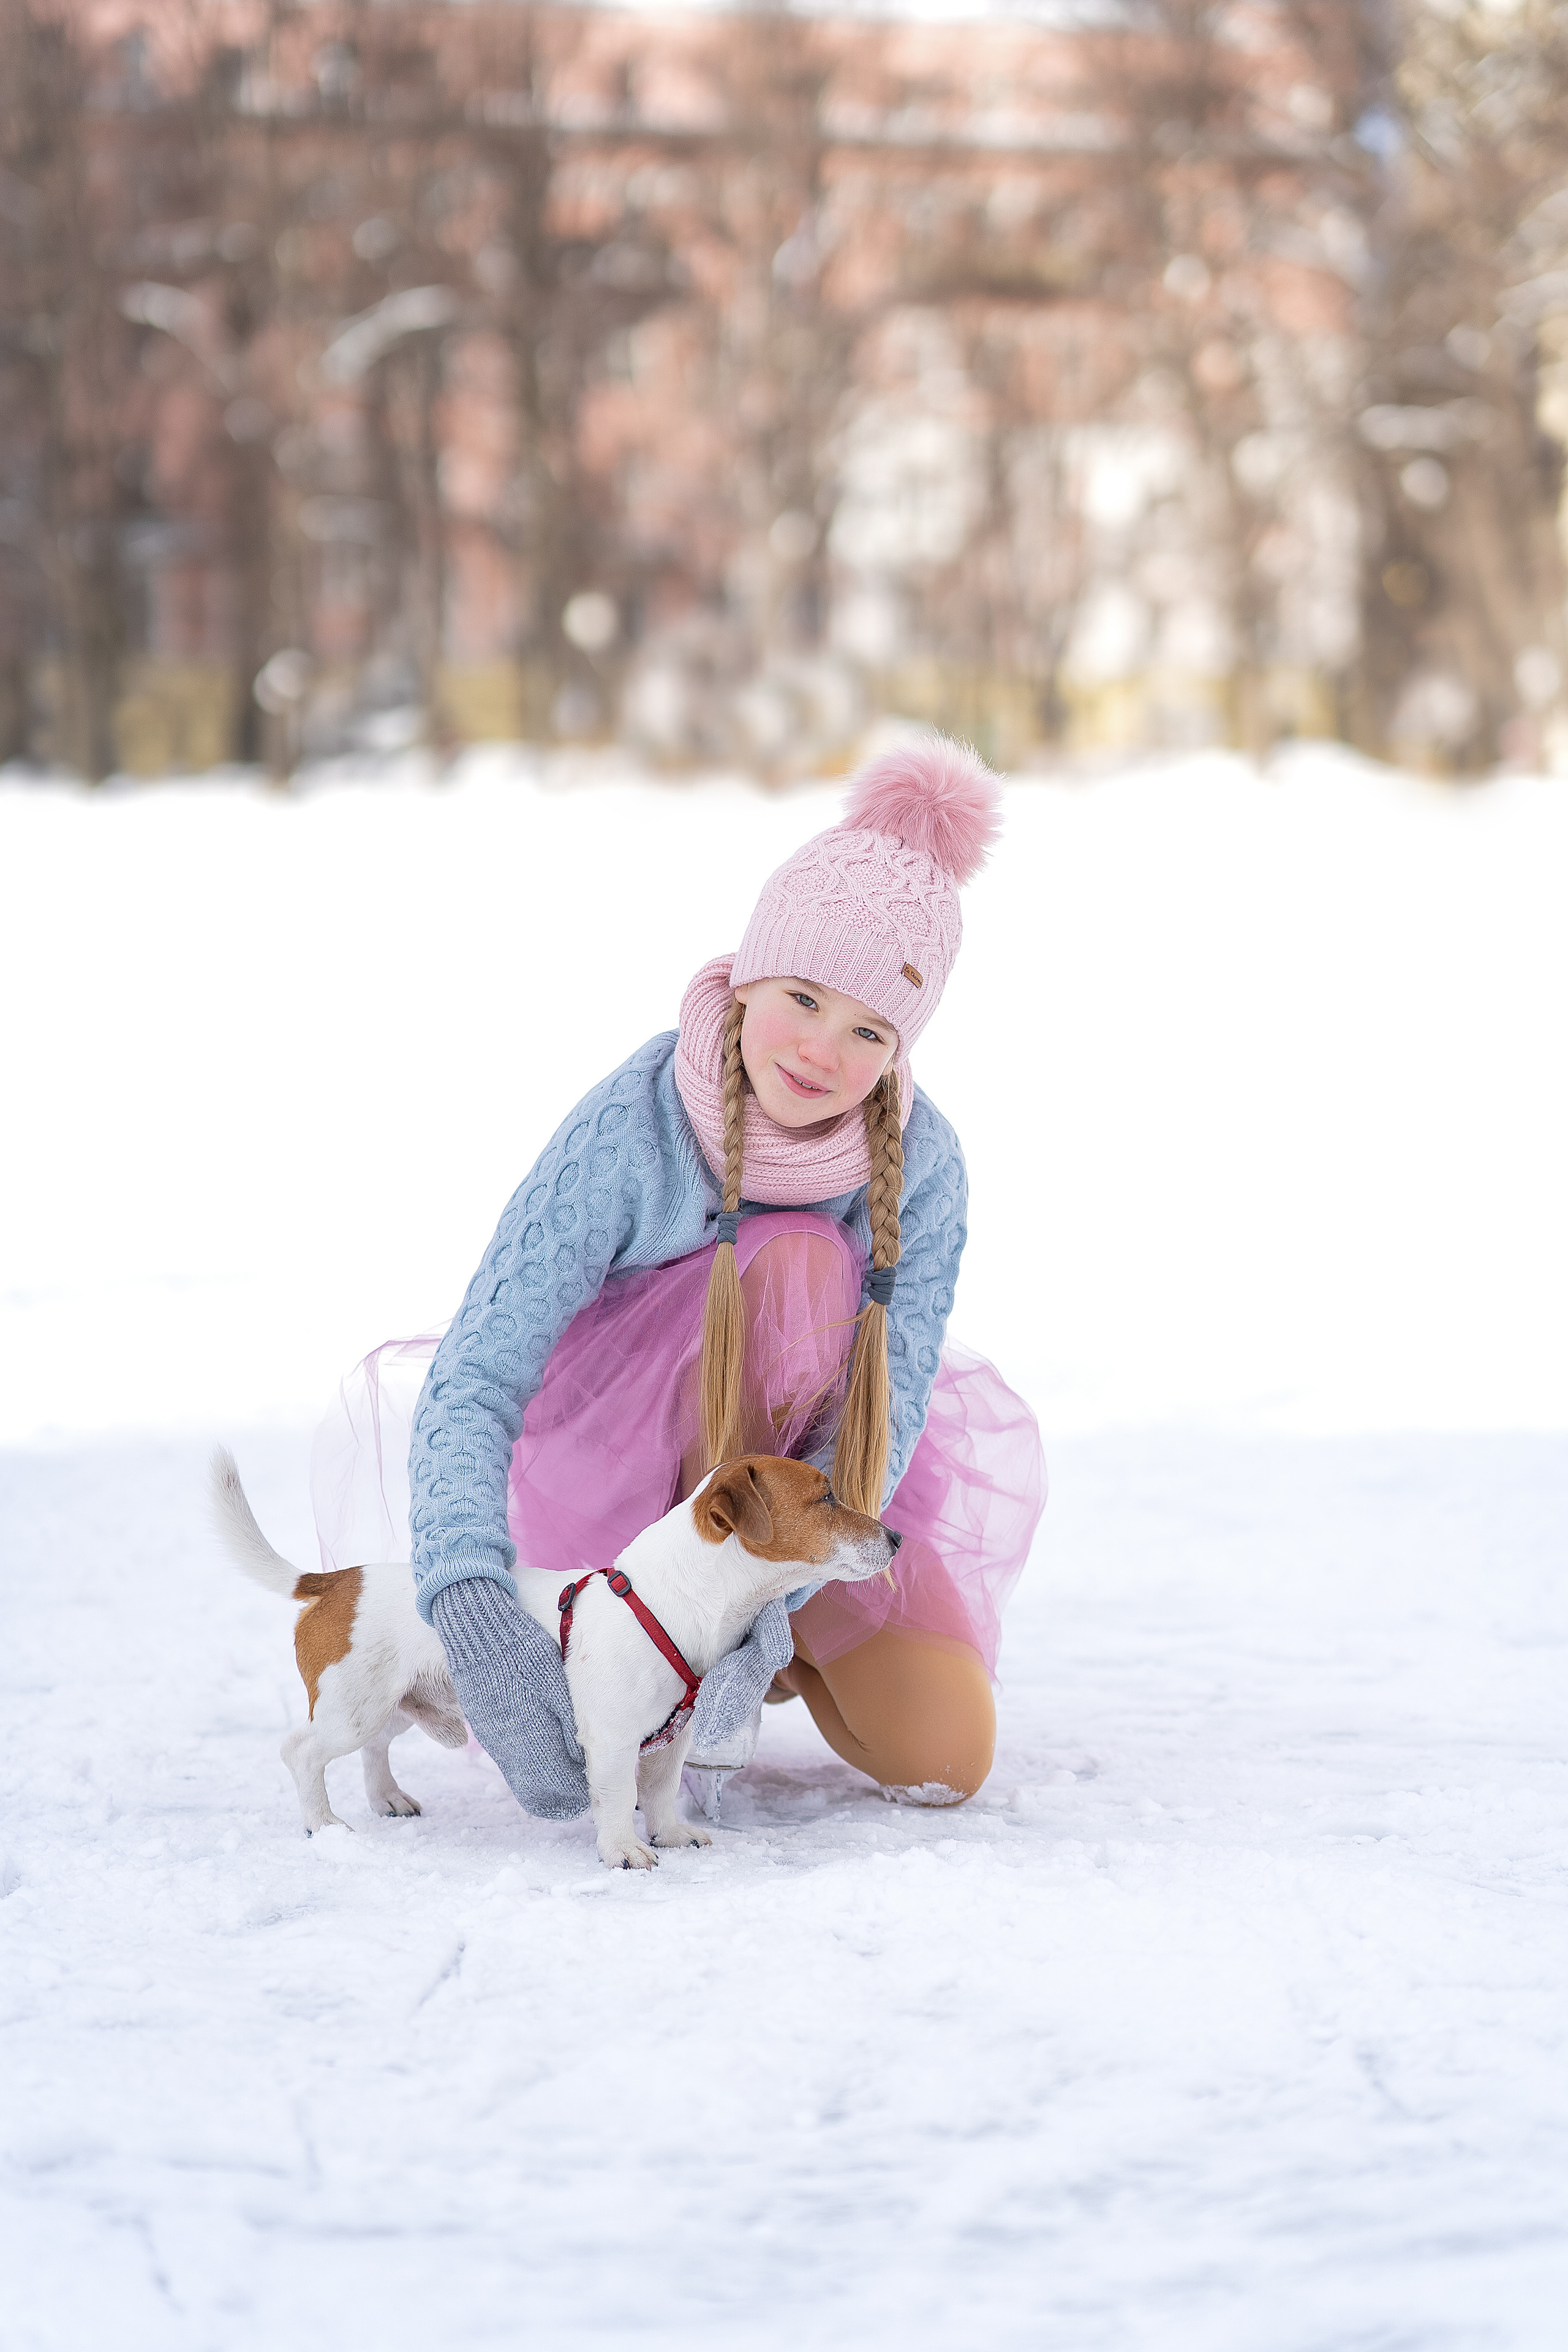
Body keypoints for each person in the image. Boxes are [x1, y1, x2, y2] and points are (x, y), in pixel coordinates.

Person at [311, 734, 1045, 1817]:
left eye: (868, 1029)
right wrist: (469, 1598)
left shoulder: (921, 1163)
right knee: (779, 1259)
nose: (820, 1053)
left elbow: (886, 1401)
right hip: (629, 1511)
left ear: (901, 1046)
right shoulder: (635, 1123)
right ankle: (678, 1645)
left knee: (946, 1756)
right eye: (802, 997)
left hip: (802, 1509)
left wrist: (781, 1597)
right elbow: (477, 1375)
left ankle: (767, 1651)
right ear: (749, 974)